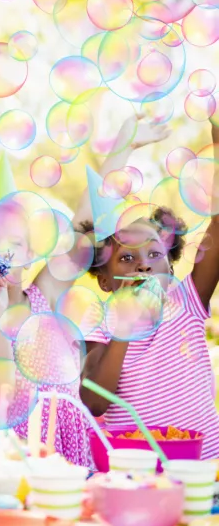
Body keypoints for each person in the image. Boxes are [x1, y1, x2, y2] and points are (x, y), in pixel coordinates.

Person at [0, 115, 170, 466]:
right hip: (12, 463)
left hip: (71, 459)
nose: (0, 252)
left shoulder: (44, 296)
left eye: (13, 242)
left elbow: (86, 225)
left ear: (32, 254)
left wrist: (123, 147)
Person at [79, 119, 219, 460]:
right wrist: (124, 328)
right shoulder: (100, 321)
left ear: (170, 267)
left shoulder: (186, 300)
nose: (143, 265)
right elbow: (95, 401)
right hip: (138, 469)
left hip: (205, 465)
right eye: (126, 257)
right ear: (105, 280)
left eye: (155, 254)